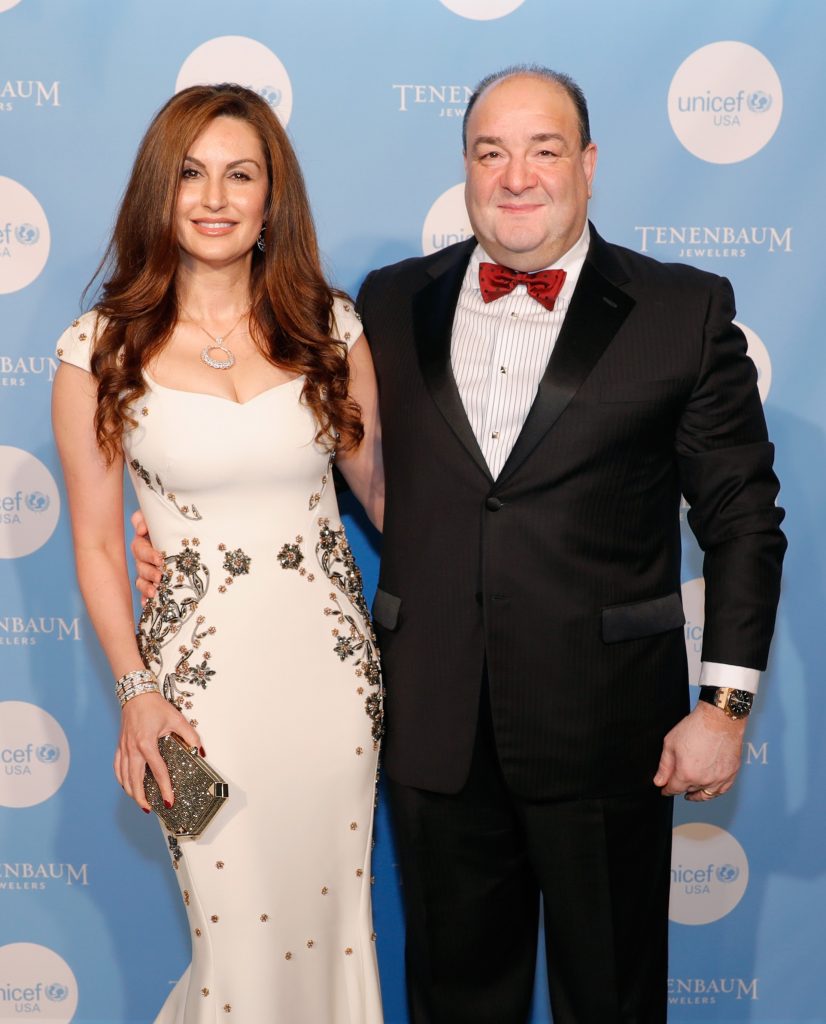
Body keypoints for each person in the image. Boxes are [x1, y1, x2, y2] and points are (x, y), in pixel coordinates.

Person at [134, 66, 786, 1023]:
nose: (516, 175)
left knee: (612, 999)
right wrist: (186, 529)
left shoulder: (680, 311)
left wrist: (723, 706)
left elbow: (742, 521)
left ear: (590, 166)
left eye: (544, 149)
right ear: (466, 170)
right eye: (491, 152)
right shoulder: (388, 305)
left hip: (609, 734)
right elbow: (323, 455)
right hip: (430, 730)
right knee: (453, 1003)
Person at [52, 83, 384, 1022]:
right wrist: (136, 693)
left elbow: (391, 498)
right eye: (191, 173)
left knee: (335, 939)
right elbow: (97, 547)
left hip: (332, 686)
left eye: (241, 174)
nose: (214, 197)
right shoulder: (100, 351)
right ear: (159, 191)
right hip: (198, 699)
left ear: (272, 198)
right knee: (235, 952)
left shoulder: (330, 328)